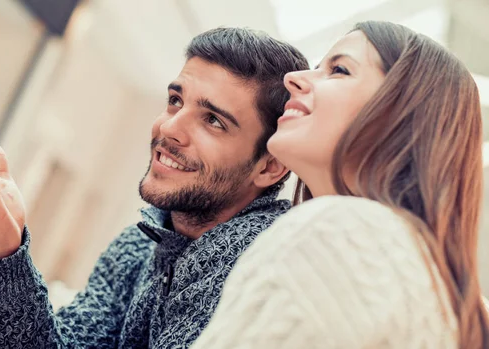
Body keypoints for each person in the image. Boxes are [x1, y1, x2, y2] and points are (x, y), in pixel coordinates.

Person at [0, 27, 309, 348]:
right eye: (175, 101)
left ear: (270, 166)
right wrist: (5, 246)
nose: (169, 129)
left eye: (213, 120)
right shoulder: (137, 246)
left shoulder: (264, 267)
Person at [191, 21, 489, 349]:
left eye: (339, 69)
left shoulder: (333, 230)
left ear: (398, 114)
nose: (293, 79)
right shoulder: (452, 302)